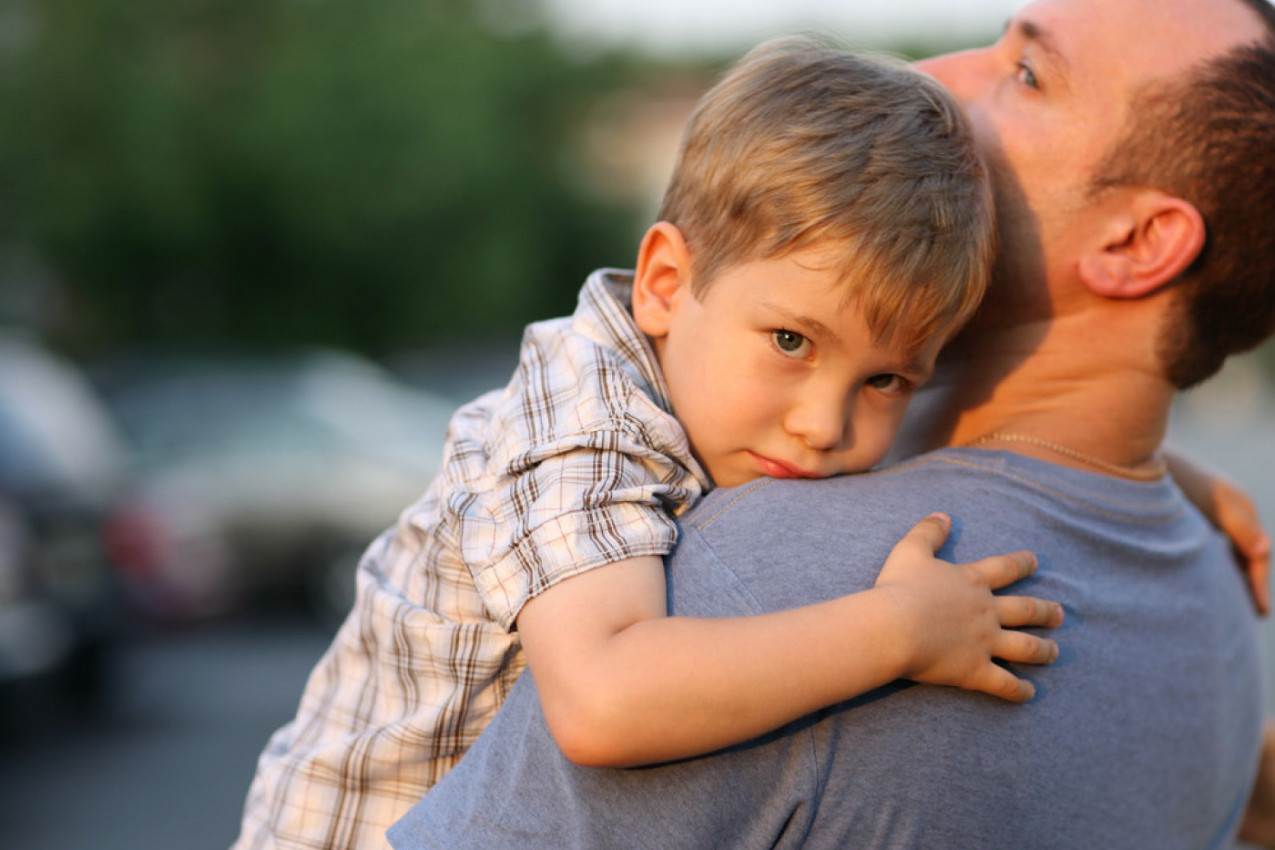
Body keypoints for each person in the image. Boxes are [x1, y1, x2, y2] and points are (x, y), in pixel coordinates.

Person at [387, 0, 1275, 847]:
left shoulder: (766, 579)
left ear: (1136, 243)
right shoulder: (1216, 598)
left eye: (1027, 74)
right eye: (791, 341)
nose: (934, 76)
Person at [231, 39, 1071, 850]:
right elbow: (604, 700)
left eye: (885, 380)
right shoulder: (581, 418)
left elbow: (977, 416)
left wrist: (1170, 479)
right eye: (789, 342)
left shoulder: (736, 399)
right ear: (666, 284)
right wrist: (898, 630)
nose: (824, 426)